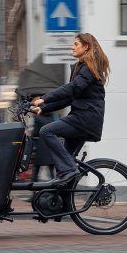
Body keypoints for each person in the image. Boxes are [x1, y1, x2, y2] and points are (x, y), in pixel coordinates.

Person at [31, 32, 110, 186]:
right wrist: (44, 108)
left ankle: (70, 170)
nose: (72, 47)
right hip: (83, 118)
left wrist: (45, 98)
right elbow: (69, 98)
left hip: (85, 118)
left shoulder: (88, 66)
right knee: (64, 169)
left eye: (76, 44)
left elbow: (72, 88)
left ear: (86, 46)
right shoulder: (82, 68)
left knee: (46, 131)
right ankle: (62, 203)